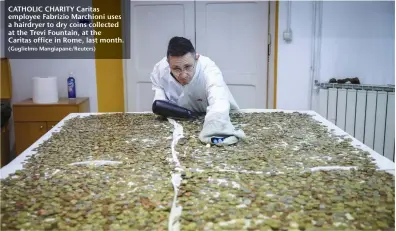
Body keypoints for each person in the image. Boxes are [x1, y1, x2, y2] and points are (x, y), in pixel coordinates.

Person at [149, 36, 246, 145]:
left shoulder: (209, 69)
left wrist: (214, 128)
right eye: (176, 69)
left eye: (188, 67)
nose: (183, 75)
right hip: (180, 120)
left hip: (220, 116)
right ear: (168, 63)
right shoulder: (159, 71)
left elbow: (218, 99)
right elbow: (160, 103)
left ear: (197, 58)